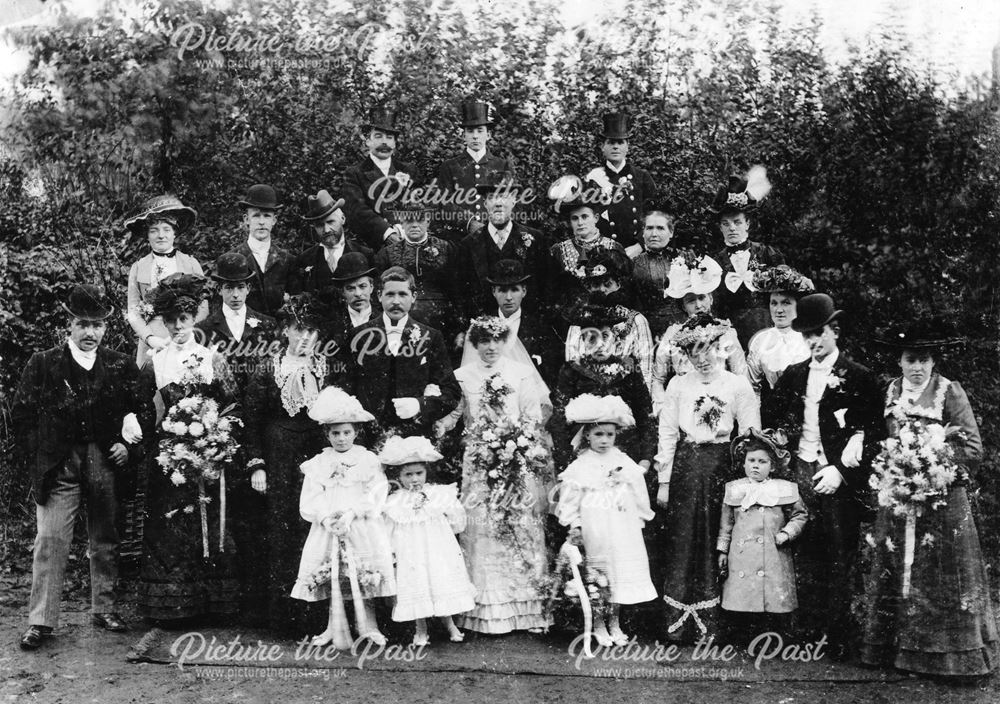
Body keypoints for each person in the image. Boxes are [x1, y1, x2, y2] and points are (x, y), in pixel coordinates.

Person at [13, 285, 152, 649]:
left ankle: (103, 607)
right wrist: (41, 458)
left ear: (106, 328)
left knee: (105, 536)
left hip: (105, 459)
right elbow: (22, 416)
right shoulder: (43, 364)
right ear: (69, 325)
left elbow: (143, 410)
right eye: (83, 324)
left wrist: (127, 445)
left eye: (98, 326)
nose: (91, 333)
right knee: (51, 537)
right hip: (60, 463)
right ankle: (41, 620)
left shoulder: (121, 364)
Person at [861, 319, 998, 677]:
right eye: (910, 359)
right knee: (898, 568)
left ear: (934, 360)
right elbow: (883, 440)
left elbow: (972, 447)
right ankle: (899, 654)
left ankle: (947, 658)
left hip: (941, 499)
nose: (917, 368)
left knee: (941, 574)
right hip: (899, 499)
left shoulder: (949, 391)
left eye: (924, 360)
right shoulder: (890, 391)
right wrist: (897, 467)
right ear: (899, 362)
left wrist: (933, 463)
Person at [763, 293, 884, 656]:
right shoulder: (794, 374)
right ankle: (803, 630)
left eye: (818, 333)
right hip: (799, 469)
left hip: (836, 474)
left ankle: (837, 636)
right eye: (807, 335)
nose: (813, 341)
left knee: (837, 550)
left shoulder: (859, 376)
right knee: (802, 548)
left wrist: (843, 473)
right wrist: (783, 443)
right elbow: (776, 419)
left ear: (834, 331)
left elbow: (875, 432)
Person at [135, 274, 242, 624]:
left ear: (194, 317)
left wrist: (217, 439)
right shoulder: (158, 359)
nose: (178, 327)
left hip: (207, 453)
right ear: (163, 322)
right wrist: (161, 441)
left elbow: (232, 405)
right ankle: (173, 608)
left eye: (183, 319)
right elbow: (141, 404)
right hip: (170, 455)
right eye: (170, 321)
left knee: (208, 522)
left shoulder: (211, 357)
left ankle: (213, 605)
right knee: (171, 524)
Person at [434, 316, 550, 634]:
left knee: (520, 527)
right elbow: (455, 413)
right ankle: (484, 611)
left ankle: (527, 611)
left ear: (505, 342)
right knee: (483, 531)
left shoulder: (521, 373)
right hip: (479, 462)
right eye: (484, 340)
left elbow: (532, 415)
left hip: (515, 459)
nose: (490, 347)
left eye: (497, 340)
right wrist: (442, 425)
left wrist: (519, 441)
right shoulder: (462, 376)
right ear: (475, 344)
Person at [654, 314, 760, 643]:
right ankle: (680, 622)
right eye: (690, 351)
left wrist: (747, 480)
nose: (699, 357)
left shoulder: (736, 384)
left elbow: (749, 433)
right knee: (685, 539)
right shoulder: (678, 384)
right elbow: (668, 433)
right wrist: (665, 481)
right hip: (687, 467)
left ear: (717, 346)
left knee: (720, 537)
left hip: (722, 465)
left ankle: (718, 625)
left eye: (704, 348)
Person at [243, 293, 337, 633]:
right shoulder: (268, 368)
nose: (305, 338)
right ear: (286, 331)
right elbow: (251, 420)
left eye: (312, 332)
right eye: (299, 330)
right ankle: (284, 617)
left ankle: (317, 615)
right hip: (279, 455)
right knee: (281, 531)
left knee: (314, 529)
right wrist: (257, 465)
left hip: (315, 455)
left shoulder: (324, 367)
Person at [290, 387, 395, 648]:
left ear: (356, 432)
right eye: (335, 433)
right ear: (327, 434)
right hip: (330, 526)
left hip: (360, 523)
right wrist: (326, 519)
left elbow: (377, 492)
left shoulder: (367, 459)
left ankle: (368, 625)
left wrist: (352, 513)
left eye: (347, 432)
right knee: (333, 574)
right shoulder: (319, 462)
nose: (341, 438)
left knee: (364, 574)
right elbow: (311, 498)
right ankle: (332, 626)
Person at [557, 394, 657, 646]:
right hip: (596, 527)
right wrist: (575, 524)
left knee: (620, 572)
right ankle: (599, 624)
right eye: (598, 434)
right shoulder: (581, 465)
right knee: (599, 575)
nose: (604, 440)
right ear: (587, 435)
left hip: (622, 526)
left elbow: (638, 490)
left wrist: (640, 517)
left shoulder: (623, 461)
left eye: (609, 435)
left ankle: (615, 622)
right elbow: (570, 499)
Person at [379, 435, 476, 646]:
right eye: (408, 475)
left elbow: (457, 519)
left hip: (436, 547)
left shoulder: (438, 494)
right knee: (416, 583)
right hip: (410, 550)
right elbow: (388, 529)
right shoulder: (395, 502)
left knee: (439, 579)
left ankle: (450, 624)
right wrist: (392, 551)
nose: (414, 479)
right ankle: (420, 628)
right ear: (399, 476)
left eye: (419, 473)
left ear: (426, 472)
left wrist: (447, 531)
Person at [343, 267, 461, 438]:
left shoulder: (431, 337)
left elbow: (452, 392)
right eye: (390, 294)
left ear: (413, 297)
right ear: (379, 296)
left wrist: (420, 405)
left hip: (414, 435)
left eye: (403, 294)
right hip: (369, 434)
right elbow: (346, 387)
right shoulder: (358, 336)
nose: (396, 301)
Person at [718, 428, 808, 642]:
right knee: (743, 596)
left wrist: (787, 533)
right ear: (744, 463)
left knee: (772, 595)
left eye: (762, 462)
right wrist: (722, 550)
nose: (756, 466)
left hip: (773, 554)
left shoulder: (783, 489)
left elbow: (800, 515)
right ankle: (744, 636)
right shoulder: (735, 490)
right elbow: (726, 524)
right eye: (751, 461)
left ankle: (771, 637)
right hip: (742, 556)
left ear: (773, 465)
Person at [551, 302, 656, 472]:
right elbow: (558, 419)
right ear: (583, 340)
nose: (599, 344)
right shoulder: (572, 370)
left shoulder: (628, 369)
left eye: (605, 336)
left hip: (625, 452)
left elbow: (645, 416)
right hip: (583, 455)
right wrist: (567, 461)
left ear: (615, 338)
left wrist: (646, 458)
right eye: (592, 338)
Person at [651, 254, 745, 413]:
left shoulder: (725, 331)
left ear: (711, 299)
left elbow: (741, 375)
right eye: (691, 301)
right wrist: (662, 407)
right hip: (684, 405)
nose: (698, 305)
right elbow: (658, 378)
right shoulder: (673, 333)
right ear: (683, 306)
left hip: (721, 403)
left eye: (702, 298)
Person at [460, 258, 563, 400]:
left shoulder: (540, 327)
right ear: (493, 292)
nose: (508, 297)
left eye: (514, 290)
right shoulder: (481, 327)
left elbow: (551, 374)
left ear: (524, 291)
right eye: (502, 290)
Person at [123, 194, 206, 365]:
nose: (161, 235)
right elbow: (133, 312)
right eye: (154, 230)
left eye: (166, 230)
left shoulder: (190, 264)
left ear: (175, 233)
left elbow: (204, 306)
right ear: (147, 235)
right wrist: (150, 338)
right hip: (152, 343)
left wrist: (188, 331)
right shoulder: (138, 267)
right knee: (151, 388)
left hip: (185, 337)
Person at [707, 172, 785, 350]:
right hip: (731, 333)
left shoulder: (768, 254)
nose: (732, 228)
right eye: (726, 224)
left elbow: (784, 296)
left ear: (747, 223)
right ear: (720, 227)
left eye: (737, 222)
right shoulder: (714, 262)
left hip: (766, 328)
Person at [373, 197, 461, 344]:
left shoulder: (446, 248)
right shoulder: (387, 254)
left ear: (428, 220)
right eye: (409, 220)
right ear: (401, 221)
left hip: (441, 319)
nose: (414, 225)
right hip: (401, 318)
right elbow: (379, 295)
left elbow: (456, 291)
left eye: (420, 220)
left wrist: (460, 329)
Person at [547, 175, 631, 327]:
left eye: (585, 217)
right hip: (571, 324)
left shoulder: (614, 247)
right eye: (575, 218)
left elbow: (625, 291)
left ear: (596, 218)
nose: (580, 222)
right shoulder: (558, 250)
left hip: (610, 322)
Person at [456, 177, 547, 317]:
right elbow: (461, 292)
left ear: (514, 201)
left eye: (504, 197)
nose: (498, 203)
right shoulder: (468, 244)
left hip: (527, 326)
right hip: (483, 326)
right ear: (485, 203)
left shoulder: (535, 239)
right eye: (492, 197)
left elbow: (545, 287)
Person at [564, 252, 655, 389]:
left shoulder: (636, 320)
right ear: (588, 288)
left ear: (618, 284)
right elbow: (572, 364)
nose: (602, 290)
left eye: (608, 284)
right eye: (596, 284)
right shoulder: (579, 322)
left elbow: (645, 368)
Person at [436, 100, 517, 241]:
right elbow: (444, 203)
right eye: (470, 131)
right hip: (460, 236)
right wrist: (469, 222)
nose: (475, 136)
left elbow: (510, 202)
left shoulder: (502, 165)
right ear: (463, 136)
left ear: (488, 135)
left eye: (480, 131)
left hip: (495, 236)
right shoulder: (449, 166)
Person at [343, 107, 420, 251]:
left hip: (409, 240)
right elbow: (357, 211)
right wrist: (387, 233)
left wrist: (402, 229)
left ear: (395, 143)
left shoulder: (409, 170)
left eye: (389, 138)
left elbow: (417, 205)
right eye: (378, 136)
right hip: (372, 246)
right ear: (367, 141)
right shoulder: (355, 173)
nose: (384, 142)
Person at [197, 252, 276, 390]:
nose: (235, 295)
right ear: (219, 289)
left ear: (248, 289)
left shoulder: (267, 324)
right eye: (228, 287)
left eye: (240, 287)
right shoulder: (204, 329)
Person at [583, 112, 659, 256]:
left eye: (620, 142)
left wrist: (641, 244)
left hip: (638, 253)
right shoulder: (593, 179)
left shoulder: (642, 177)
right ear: (602, 146)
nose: (615, 147)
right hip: (603, 253)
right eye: (611, 142)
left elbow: (655, 216)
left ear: (627, 146)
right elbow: (585, 220)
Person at [745, 265, 813, 404]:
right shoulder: (760, 340)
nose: (779, 310)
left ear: (797, 305)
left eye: (786, 303)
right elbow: (751, 388)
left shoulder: (811, 337)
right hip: (774, 412)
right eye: (774, 303)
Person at [288, 189, 374, 298]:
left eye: (330, 222)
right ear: (314, 227)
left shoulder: (365, 255)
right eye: (320, 225)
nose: (326, 229)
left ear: (342, 219)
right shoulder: (304, 260)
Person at [229, 184, 293, 318]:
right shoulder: (232, 259)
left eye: (267, 216)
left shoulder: (288, 260)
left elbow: (294, 304)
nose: (262, 222)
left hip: (281, 333)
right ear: (246, 219)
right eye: (256, 216)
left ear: (274, 220)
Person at [631, 204, 687, 338]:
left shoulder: (686, 259)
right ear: (643, 232)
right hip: (646, 329)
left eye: (660, 228)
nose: (654, 234)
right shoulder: (632, 264)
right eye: (649, 228)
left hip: (682, 328)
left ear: (671, 232)